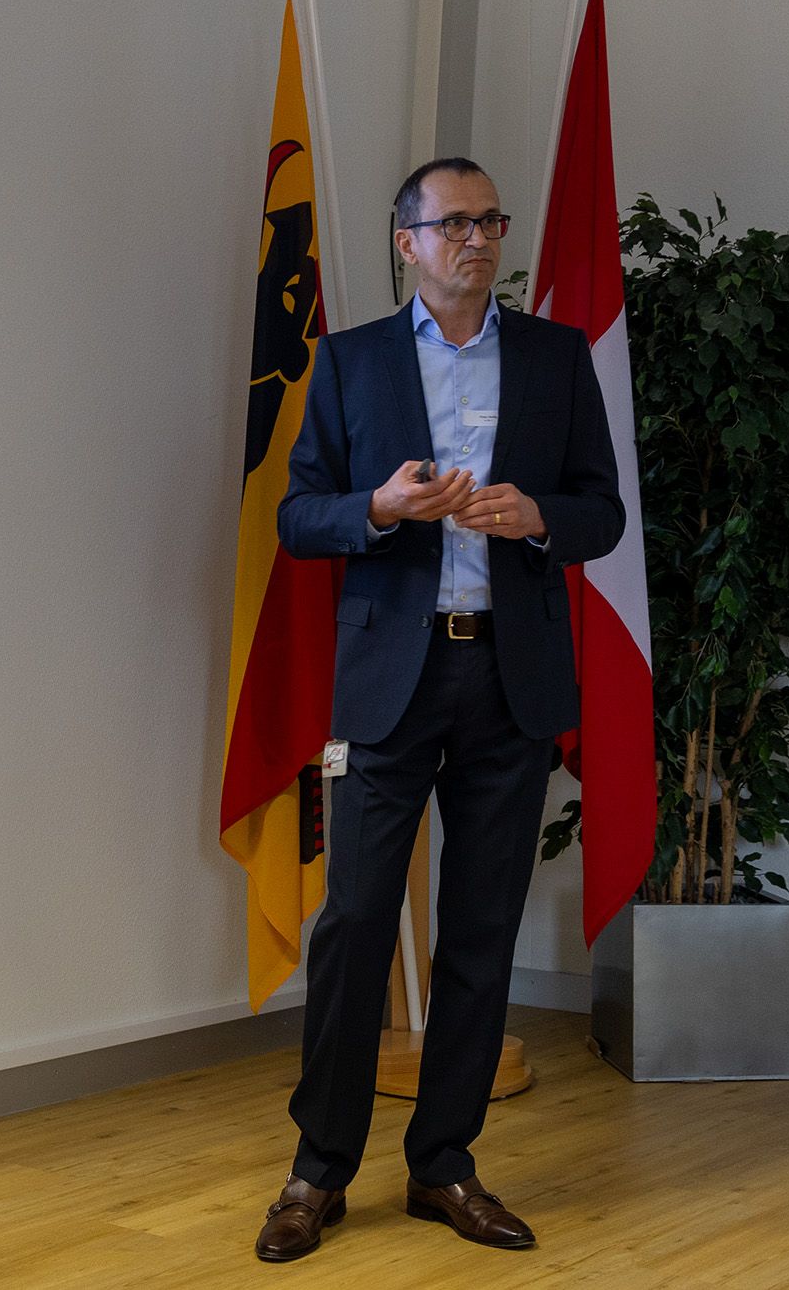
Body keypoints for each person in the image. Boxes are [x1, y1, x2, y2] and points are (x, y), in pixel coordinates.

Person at [257, 158, 626, 1263]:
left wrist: (538, 515)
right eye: (452, 221)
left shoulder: (557, 358)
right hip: (391, 682)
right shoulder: (353, 360)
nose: (477, 237)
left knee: (478, 931)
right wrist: (377, 506)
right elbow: (297, 514)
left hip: (507, 681)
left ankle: (444, 1164)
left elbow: (602, 511)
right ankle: (316, 1169)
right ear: (405, 241)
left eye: (489, 220)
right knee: (356, 924)